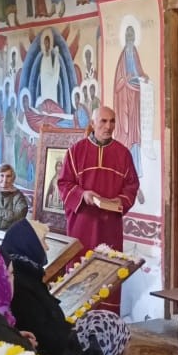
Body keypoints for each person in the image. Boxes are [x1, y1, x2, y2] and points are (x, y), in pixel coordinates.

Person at [57, 106, 138, 311]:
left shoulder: (123, 154)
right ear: (92, 124)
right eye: (103, 121)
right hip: (82, 226)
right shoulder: (76, 152)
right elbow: (64, 183)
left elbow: (131, 186)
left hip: (110, 227)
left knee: (109, 274)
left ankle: (106, 322)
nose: (108, 126)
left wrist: (120, 200)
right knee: (79, 275)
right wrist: (83, 194)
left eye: (112, 121)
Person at [2, 219, 70, 355]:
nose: (47, 248)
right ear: (29, 244)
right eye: (43, 241)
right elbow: (45, 334)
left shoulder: (27, 272)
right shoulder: (19, 283)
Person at [114, 25, 149, 178]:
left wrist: (143, 76)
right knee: (126, 131)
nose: (130, 37)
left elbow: (139, 70)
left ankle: (136, 169)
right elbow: (118, 82)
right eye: (127, 34)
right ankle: (124, 169)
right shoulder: (123, 55)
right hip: (124, 98)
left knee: (135, 131)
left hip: (134, 94)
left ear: (134, 37)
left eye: (131, 34)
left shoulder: (134, 51)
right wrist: (125, 79)